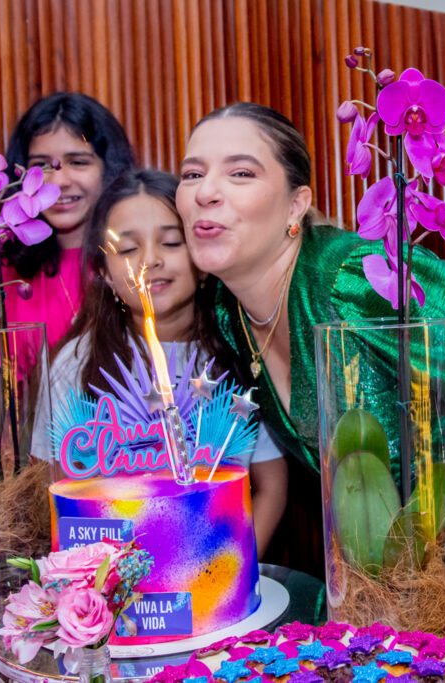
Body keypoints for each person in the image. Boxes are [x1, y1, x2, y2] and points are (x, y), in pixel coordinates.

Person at [174, 101, 445, 660]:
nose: (205, 191)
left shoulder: (359, 279)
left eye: (240, 172)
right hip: (375, 610)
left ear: (298, 203)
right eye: (192, 173)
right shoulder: (227, 310)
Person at [32, 168, 287, 553]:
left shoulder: (243, 354)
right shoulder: (76, 361)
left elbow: (271, 486)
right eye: (129, 249)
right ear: (102, 271)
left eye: (171, 242)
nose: (150, 261)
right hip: (111, 591)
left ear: (202, 256)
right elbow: (46, 486)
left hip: (214, 577)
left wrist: (233, 572)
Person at [0, 92, 137, 373]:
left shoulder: (138, 264)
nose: (60, 181)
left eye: (78, 162)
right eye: (42, 165)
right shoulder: (3, 279)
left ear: (109, 169)